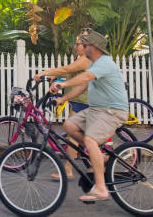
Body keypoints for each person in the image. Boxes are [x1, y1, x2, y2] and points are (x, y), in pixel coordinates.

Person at [49, 29, 128, 203]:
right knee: (69, 126)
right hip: (96, 109)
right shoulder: (93, 63)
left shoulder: (104, 63)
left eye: (84, 44)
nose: (81, 47)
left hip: (112, 110)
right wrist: (63, 98)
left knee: (91, 139)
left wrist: (63, 85)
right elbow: (83, 86)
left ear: (94, 47)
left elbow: (84, 77)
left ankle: (101, 188)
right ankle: (97, 155)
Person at [34, 31, 91, 179]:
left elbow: (67, 69)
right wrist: (56, 76)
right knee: (77, 136)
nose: (76, 46)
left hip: (83, 102)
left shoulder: (85, 59)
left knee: (73, 135)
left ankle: (69, 170)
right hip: (78, 101)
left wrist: (44, 73)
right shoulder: (82, 59)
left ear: (85, 46)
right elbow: (70, 73)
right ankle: (90, 162)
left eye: (78, 44)